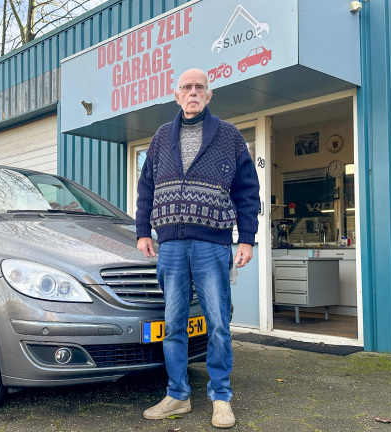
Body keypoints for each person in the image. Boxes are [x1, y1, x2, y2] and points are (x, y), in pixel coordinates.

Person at [135, 68, 260, 428]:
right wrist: (144, 230)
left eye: (199, 88)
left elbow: (247, 192)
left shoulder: (230, 136)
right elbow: (146, 189)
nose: (193, 93)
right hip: (171, 245)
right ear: (177, 95)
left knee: (218, 323)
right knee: (173, 323)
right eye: (186, 88)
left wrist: (246, 237)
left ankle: (221, 398)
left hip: (212, 243)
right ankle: (177, 395)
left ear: (209, 95)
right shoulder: (160, 138)